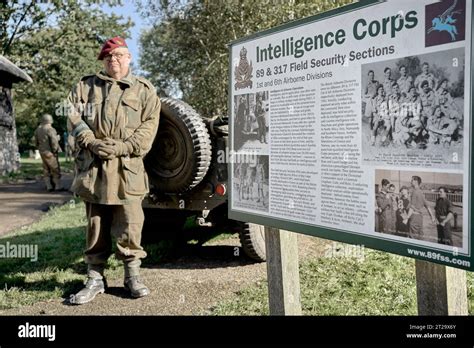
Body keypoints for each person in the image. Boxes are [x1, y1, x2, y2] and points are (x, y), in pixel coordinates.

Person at [67, 37, 161, 304]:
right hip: (94, 170)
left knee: (131, 225)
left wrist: (124, 147)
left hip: (127, 170)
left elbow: (149, 126)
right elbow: (72, 115)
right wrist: (90, 141)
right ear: (103, 61)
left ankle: (132, 276)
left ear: (129, 58)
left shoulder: (144, 90)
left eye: (119, 56)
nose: (114, 61)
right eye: (109, 58)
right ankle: (95, 277)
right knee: (95, 225)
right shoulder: (86, 86)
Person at [34, 114, 63, 191]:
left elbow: (36, 142)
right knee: (55, 169)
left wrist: (39, 148)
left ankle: (49, 186)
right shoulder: (50, 129)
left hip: (42, 152)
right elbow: (53, 141)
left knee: (46, 169)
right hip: (50, 152)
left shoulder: (38, 129)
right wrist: (55, 149)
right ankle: (57, 186)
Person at [408, 176, 436, 240]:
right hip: (420, 217)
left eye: (412, 180)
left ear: (415, 182)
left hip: (414, 217)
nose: (411, 182)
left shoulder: (415, 192)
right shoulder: (421, 192)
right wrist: (432, 216)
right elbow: (427, 206)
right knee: (420, 235)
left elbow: (412, 207)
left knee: (413, 236)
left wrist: (407, 218)